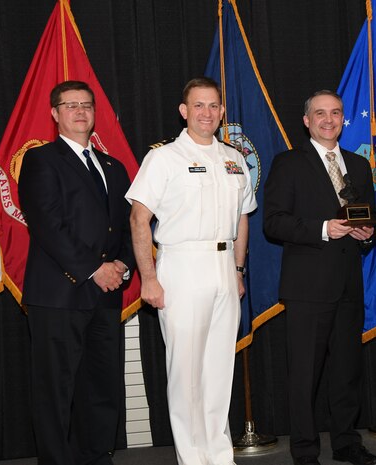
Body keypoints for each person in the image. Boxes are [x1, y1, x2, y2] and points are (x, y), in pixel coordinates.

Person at [126, 77, 256, 465]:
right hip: (181, 264)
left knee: (219, 369)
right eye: (198, 106)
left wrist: (237, 268)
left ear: (221, 112)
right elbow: (138, 219)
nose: (207, 113)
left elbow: (243, 218)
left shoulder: (233, 158)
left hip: (223, 266)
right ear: (184, 112)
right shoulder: (164, 158)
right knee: (186, 371)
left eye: (214, 106)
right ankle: (192, 458)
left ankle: (220, 455)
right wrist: (149, 278)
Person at [18, 80, 135, 465]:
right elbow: (48, 225)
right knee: (56, 389)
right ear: (54, 114)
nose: (80, 111)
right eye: (70, 106)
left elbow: (124, 225)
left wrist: (123, 266)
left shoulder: (113, 167)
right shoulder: (41, 160)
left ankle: (96, 456)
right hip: (59, 295)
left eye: (86, 105)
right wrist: (92, 269)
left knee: (101, 384)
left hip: (105, 295)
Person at [264, 90, 376, 465]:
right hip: (307, 288)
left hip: (349, 283)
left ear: (342, 118)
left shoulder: (359, 165)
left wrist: (368, 233)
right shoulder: (288, 163)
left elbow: (370, 217)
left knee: (347, 371)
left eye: (335, 113)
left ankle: (347, 443)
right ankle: (305, 451)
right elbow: (273, 222)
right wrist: (323, 229)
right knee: (304, 376)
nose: (328, 120)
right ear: (307, 120)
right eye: (320, 113)